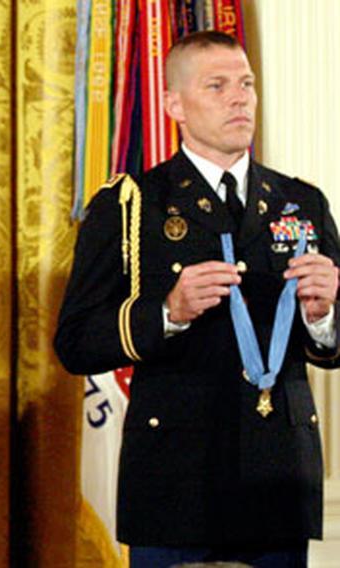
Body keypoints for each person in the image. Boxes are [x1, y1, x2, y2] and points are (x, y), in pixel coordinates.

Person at [56, 30, 340, 567]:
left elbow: (332, 342)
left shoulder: (300, 201)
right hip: (176, 484)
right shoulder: (134, 203)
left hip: (277, 480)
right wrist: (167, 313)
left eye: (247, 85)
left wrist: (323, 319)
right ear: (173, 105)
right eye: (217, 86)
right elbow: (75, 342)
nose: (240, 98)